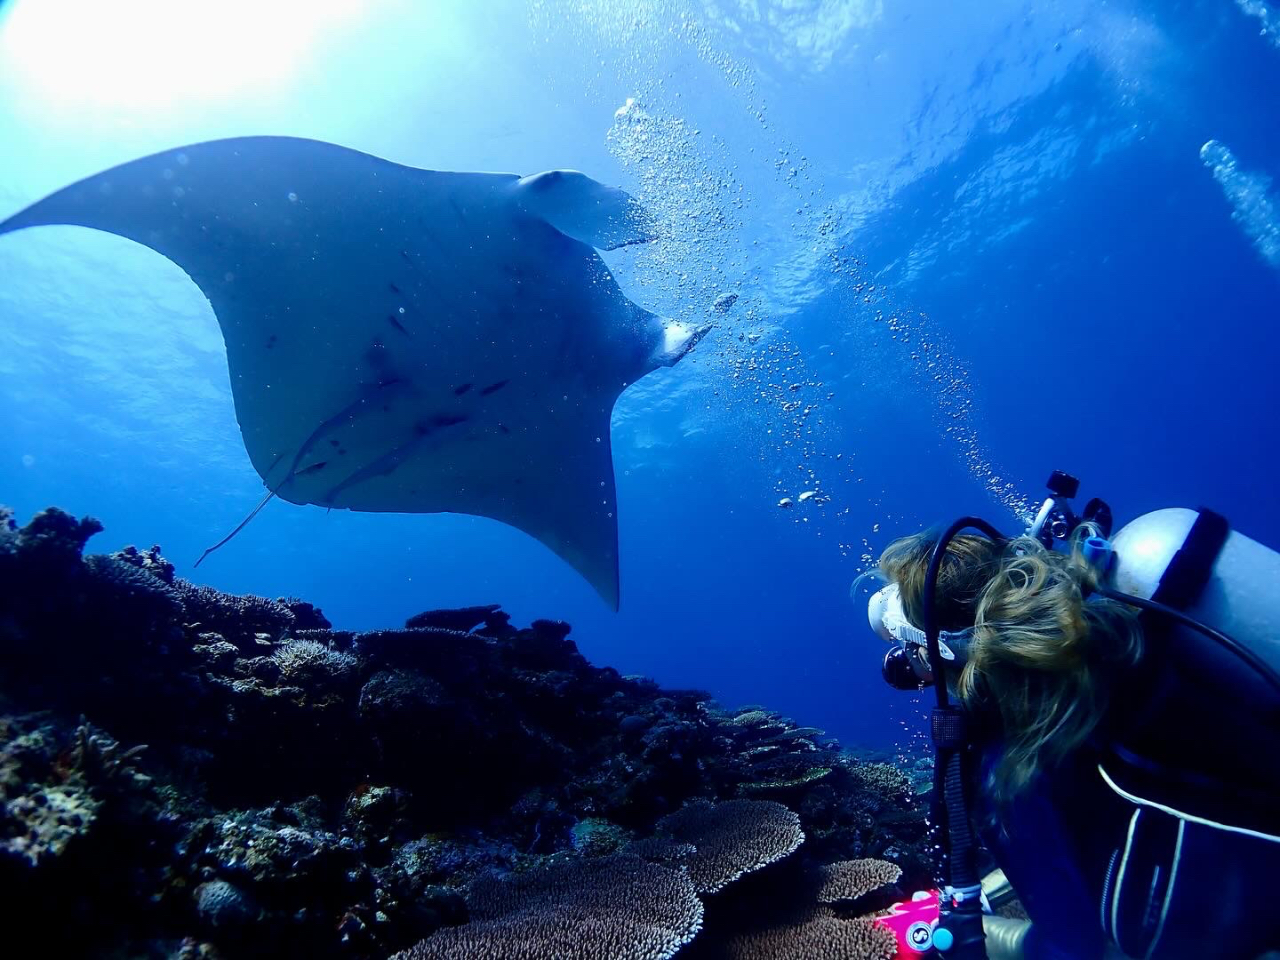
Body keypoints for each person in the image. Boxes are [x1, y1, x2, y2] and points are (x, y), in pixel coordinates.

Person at [865, 523, 1280, 960]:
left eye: (912, 646)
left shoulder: (1010, 768)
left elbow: (1074, 952)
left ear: (943, 649)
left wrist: (947, 927)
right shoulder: (1122, 630)